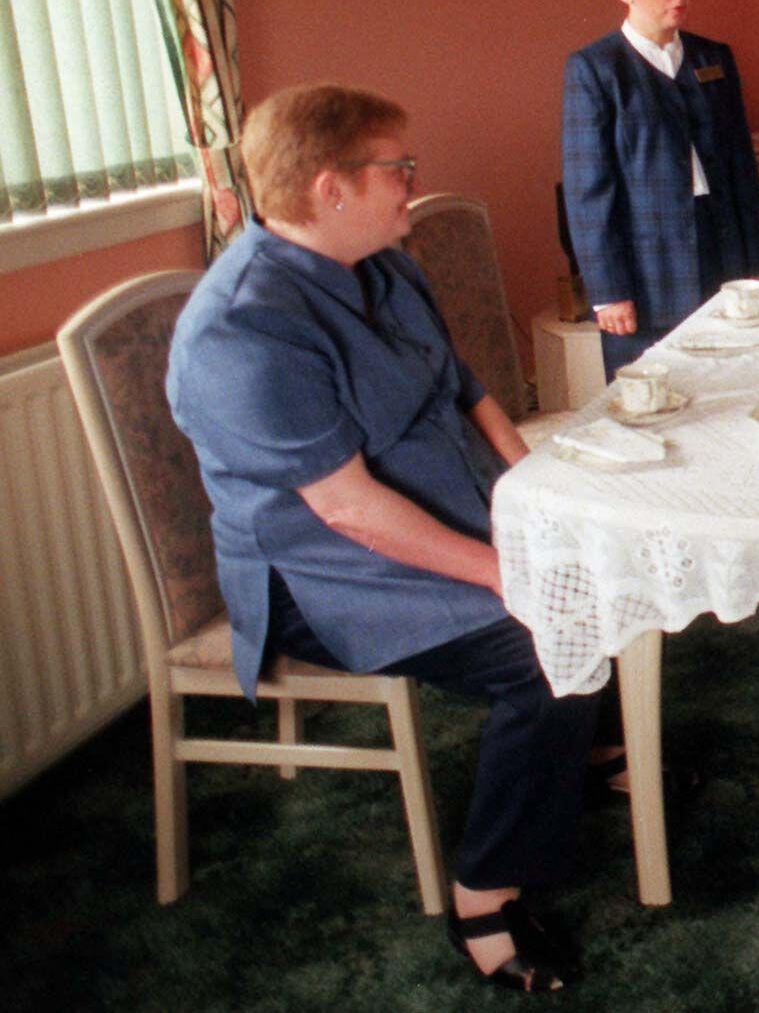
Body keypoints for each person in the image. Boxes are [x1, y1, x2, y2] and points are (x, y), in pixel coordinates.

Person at [168, 85, 614, 993]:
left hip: (438, 504)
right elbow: (347, 510)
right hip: (326, 571)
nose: (414, 184)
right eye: (397, 168)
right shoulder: (245, 327)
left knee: (608, 551)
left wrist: (534, 482)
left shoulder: (382, 261)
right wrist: (509, 573)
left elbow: (463, 383)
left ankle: (595, 759)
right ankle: (484, 896)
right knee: (543, 637)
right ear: (329, 188)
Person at [562, 0, 759, 376]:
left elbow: (742, 169)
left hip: (724, 248)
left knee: (740, 378)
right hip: (647, 264)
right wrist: (608, 290)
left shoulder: (714, 57)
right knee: (656, 396)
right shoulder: (595, 70)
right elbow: (588, 192)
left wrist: (757, 266)